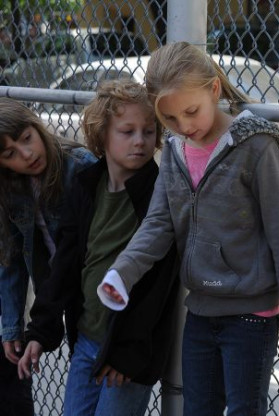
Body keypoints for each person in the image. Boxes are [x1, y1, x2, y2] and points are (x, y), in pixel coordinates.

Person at [97, 41, 279, 416]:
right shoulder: (175, 150)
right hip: (201, 313)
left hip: (252, 316)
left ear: (214, 89)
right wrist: (122, 272)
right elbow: (158, 223)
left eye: (191, 112)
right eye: (170, 119)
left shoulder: (255, 146)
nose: (184, 126)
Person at [16, 79, 180, 416]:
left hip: (127, 353)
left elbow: (157, 286)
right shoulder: (87, 186)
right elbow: (64, 264)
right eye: (127, 131)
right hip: (87, 341)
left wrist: (128, 353)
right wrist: (40, 330)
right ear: (101, 134)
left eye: (149, 131)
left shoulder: (157, 193)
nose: (140, 141)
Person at [0, 98, 96, 416]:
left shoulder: (79, 166)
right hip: (58, 294)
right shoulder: (10, 187)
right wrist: (12, 327)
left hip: (92, 293)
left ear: (36, 126)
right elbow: (11, 258)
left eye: (27, 138)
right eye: (10, 154)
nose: (26, 154)